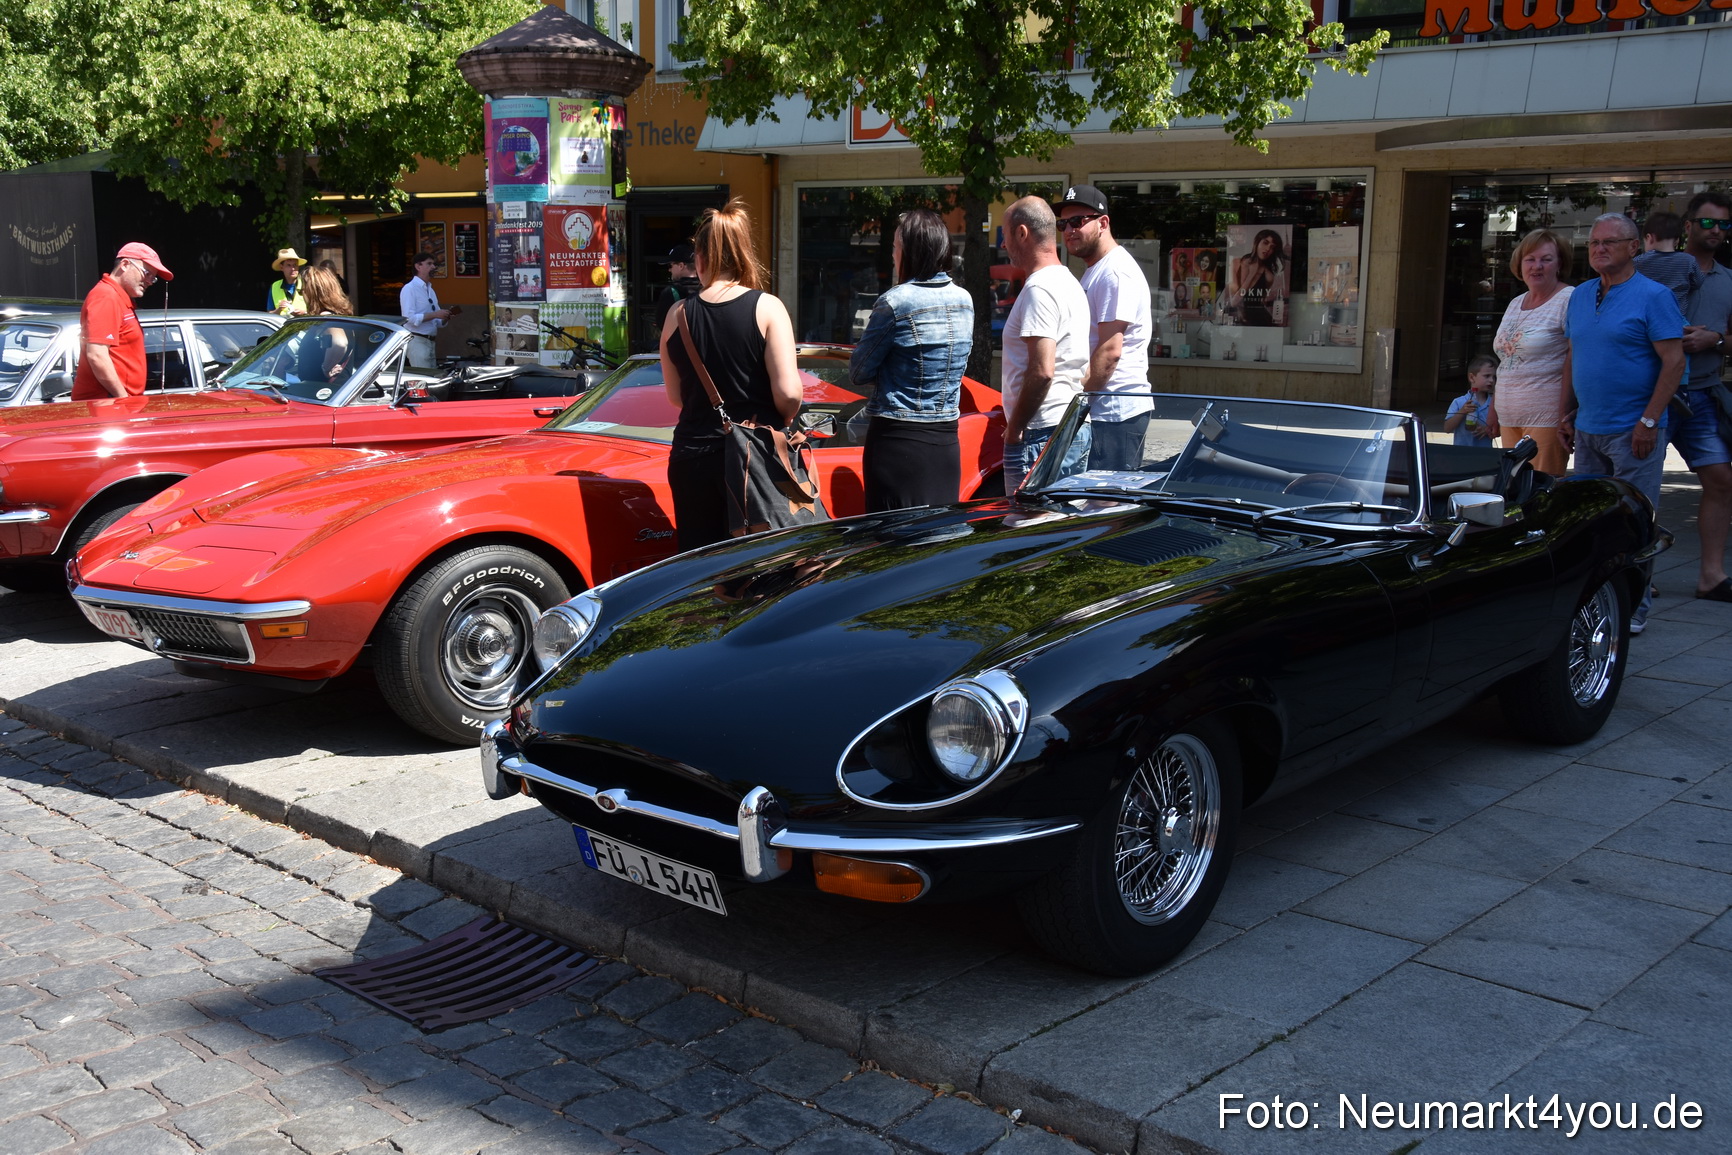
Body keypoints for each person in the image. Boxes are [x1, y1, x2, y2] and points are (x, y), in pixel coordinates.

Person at [1558, 213, 1686, 634]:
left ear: (1634, 247)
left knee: (1635, 524)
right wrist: (1565, 412)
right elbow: (1574, 355)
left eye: (1610, 242)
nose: (1599, 249)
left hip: (1634, 430)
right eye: (1594, 242)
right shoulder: (1581, 295)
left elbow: (1674, 361)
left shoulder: (1654, 296)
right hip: (1588, 428)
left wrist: (1649, 420)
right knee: (1592, 523)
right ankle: (1598, 604)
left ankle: (1634, 608)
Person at [660, 198, 802, 550]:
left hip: (692, 456)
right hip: (756, 456)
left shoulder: (676, 315)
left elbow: (676, 397)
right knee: (763, 560)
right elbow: (789, 393)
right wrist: (781, 419)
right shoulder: (768, 307)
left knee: (702, 564)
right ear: (743, 254)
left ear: (700, 258)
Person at [848, 208, 974, 512]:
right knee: (938, 535)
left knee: (890, 536)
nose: (893, 255)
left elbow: (858, 371)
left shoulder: (895, 302)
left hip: (897, 439)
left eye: (895, 247)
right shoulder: (964, 300)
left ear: (909, 251)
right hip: (946, 441)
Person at [1662, 192, 1732, 602]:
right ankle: (1638, 575)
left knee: (1721, 480)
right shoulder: (1656, 269)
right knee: (1638, 487)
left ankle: (1711, 576)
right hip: (1655, 394)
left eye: (1724, 224)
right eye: (1708, 222)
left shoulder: (1728, 280)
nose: (1716, 230)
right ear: (1688, 226)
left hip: (1703, 394)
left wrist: (1715, 339)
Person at [1056, 184, 1152, 471]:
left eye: (1077, 221)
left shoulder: (1114, 272)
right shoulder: (1097, 269)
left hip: (1114, 413)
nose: (1069, 230)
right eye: (1063, 224)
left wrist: (1076, 404)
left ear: (1103, 222)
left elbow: (1110, 351)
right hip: (1104, 410)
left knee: (1105, 497)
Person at [999, 195, 1090, 494]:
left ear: (1022, 233)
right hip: (1067, 425)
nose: (1003, 245)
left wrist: (1015, 429)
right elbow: (1082, 368)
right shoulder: (1070, 282)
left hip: (1040, 432)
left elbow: (1042, 371)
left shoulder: (1040, 288)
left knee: (1029, 521)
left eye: (1005, 235)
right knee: (1062, 519)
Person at [1491, 228, 1573, 477]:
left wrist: (1565, 415)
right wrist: (1493, 409)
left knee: (1539, 492)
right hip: (1508, 417)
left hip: (1546, 419)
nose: (1537, 266)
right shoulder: (1516, 302)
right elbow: (1505, 361)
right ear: (1520, 264)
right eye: (1530, 259)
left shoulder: (1569, 299)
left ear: (1559, 264)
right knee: (1511, 491)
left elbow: (1574, 359)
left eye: (1546, 259)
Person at [70, 243, 174, 401]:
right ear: (125, 265)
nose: (149, 281)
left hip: (115, 402)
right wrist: (123, 399)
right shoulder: (106, 296)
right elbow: (97, 355)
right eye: (147, 273)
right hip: (107, 404)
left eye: (153, 278)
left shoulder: (116, 297)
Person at [291, 265, 355, 384]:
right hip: (325, 389)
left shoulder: (327, 316)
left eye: (302, 290)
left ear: (313, 292)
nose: (302, 295)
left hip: (323, 390)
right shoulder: (339, 317)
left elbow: (340, 343)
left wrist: (326, 368)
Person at [1634, 211, 1700, 312]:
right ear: (1677, 241)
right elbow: (1698, 282)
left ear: (1649, 238)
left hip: (1646, 313)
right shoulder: (1688, 260)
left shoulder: (1638, 261)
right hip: (1675, 315)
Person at [400, 251, 453, 367]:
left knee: (430, 376)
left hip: (431, 342)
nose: (433, 267)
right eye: (429, 264)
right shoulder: (409, 289)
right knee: (423, 376)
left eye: (433, 264)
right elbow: (409, 318)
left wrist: (445, 316)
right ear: (418, 266)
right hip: (417, 341)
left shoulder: (430, 290)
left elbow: (438, 322)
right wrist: (435, 314)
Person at [1228, 230, 1288, 326]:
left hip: (1261, 322)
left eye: (1272, 247)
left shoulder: (1268, 275)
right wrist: (1251, 274)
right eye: (1265, 243)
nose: (1268, 249)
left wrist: (1253, 273)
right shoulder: (1236, 263)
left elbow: (1261, 302)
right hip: (1241, 322)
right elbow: (1234, 302)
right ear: (1257, 242)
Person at [1443, 355, 1497, 448]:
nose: (1491, 380)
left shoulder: (1494, 404)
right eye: (1487, 376)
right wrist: (1462, 411)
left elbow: (1499, 431)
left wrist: (1488, 430)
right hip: (1462, 453)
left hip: (1485, 453)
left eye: (1494, 377)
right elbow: (1447, 428)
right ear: (1472, 377)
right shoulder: (1459, 402)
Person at [653, 243, 703, 332]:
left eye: (670, 265)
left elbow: (662, 325)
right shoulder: (707, 289)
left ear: (681, 266)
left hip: (680, 339)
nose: (669, 270)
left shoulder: (670, 292)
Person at [268, 248, 308, 317]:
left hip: (305, 323)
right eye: (288, 265)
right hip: (282, 323)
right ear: (281, 267)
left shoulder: (307, 284)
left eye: (295, 265)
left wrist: (304, 312)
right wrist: (279, 309)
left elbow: (317, 311)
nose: (293, 268)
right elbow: (269, 314)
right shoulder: (274, 286)